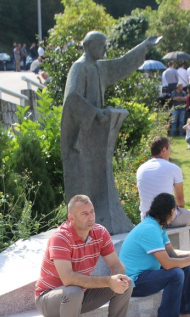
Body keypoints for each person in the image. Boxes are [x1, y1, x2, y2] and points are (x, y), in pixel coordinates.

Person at [61, 31, 159, 235]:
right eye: (102, 45)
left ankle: (101, 222)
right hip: (80, 138)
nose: (105, 49)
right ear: (90, 45)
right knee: (84, 182)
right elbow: (72, 98)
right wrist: (95, 112)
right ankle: (83, 229)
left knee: (98, 178)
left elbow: (120, 65)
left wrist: (143, 47)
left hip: (95, 134)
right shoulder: (80, 67)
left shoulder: (98, 67)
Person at [35, 195, 134, 317]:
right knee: (73, 290)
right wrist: (107, 281)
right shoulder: (60, 238)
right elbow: (68, 278)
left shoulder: (100, 232)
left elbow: (117, 266)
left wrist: (116, 278)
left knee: (126, 282)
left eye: (92, 212)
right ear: (71, 218)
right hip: (48, 299)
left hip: (79, 295)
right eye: (84, 214)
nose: (91, 217)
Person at [119, 193, 190, 317]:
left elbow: (172, 254)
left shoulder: (158, 227)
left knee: (183, 266)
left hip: (145, 275)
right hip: (133, 283)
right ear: (170, 212)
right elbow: (167, 264)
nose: (176, 214)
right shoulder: (149, 229)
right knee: (175, 273)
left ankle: (185, 313)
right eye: (176, 211)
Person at [137, 137, 190, 249]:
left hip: (145, 217)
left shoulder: (141, 168)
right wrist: (180, 211)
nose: (170, 153)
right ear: (163, 150)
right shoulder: (173, 168)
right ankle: (189, 254)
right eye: (169, 149)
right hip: (166, 218)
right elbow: (180, 200)